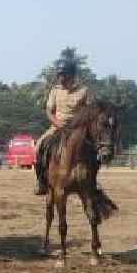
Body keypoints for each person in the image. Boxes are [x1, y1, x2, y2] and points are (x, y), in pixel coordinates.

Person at [33, 59, 94, 195]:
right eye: (59, 75)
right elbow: (49, 111)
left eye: (64, 75)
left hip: (77, 129)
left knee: (93, 149)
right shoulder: (55, 91)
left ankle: (92, 180)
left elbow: (90, 111)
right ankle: (41, 181)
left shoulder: (83, 91)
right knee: (38, 147)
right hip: (57, 126)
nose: (61, 78)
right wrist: (57, 123)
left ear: (72, 75)